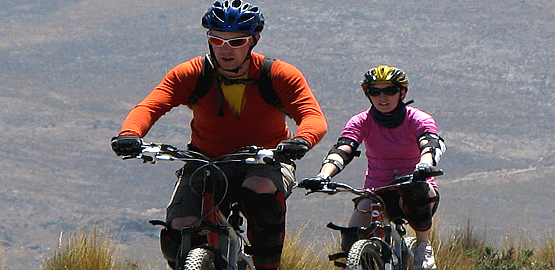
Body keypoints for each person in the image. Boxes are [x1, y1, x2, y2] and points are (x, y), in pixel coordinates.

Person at [109, 1, 327, 269]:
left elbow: (312, 116)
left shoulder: (278, 74)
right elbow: (151, 105)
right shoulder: (192, 73)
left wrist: (301, 140)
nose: (225, 49)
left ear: (253, 41)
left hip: (265, 160)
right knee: (178, 230)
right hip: (207, 160)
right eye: (217, 40)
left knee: (261, 192)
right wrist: (130, 134)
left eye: (236, 42)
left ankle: (266, 266)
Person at [299, 65, 445, 270]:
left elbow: (429, 144)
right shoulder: (361, 121)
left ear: (402, 92)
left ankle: (423, 246)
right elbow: (343, 149)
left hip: (414, 188)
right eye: (375, 91)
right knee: (351, 240)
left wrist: (424, 165)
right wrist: (323, 176)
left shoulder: (418, 119)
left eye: (390, 91)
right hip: (378, 191)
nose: (382, 97)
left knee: (416, 191)